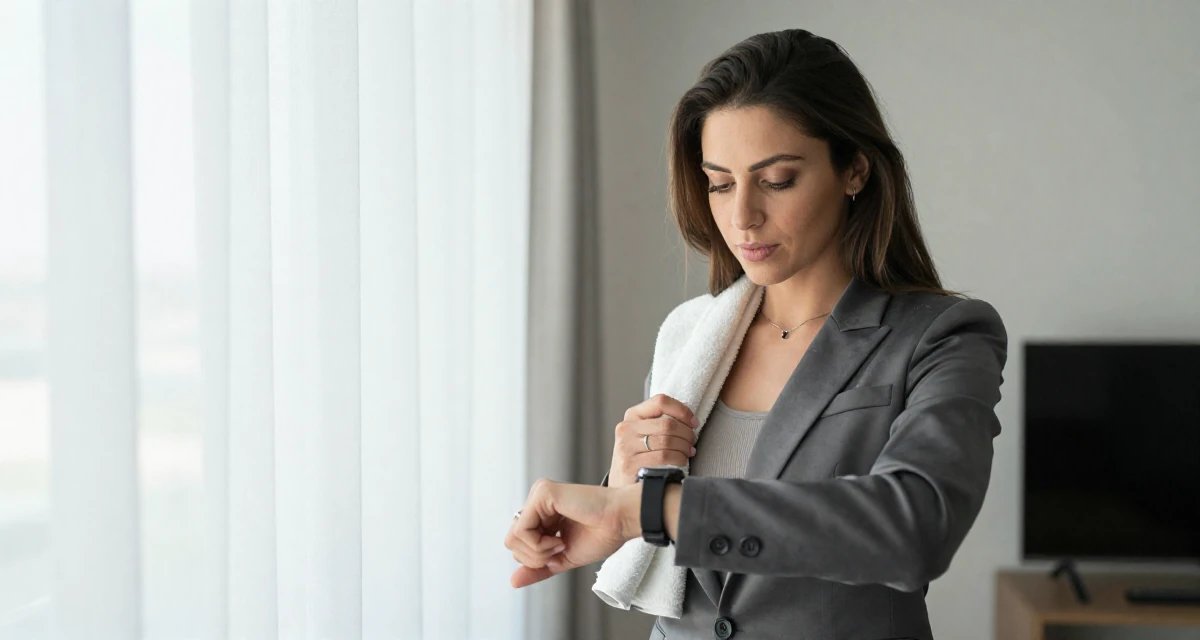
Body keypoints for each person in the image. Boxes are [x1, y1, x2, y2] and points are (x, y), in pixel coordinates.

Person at [504, 28, 1006, 640]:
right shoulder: (692, 335)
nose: (741, 216)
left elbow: (913, 528)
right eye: (719, 183)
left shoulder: (942, 336)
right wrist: (618, 489)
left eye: (776, 180)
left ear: (854, 170)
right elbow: (653, 538)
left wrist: (647, 510)